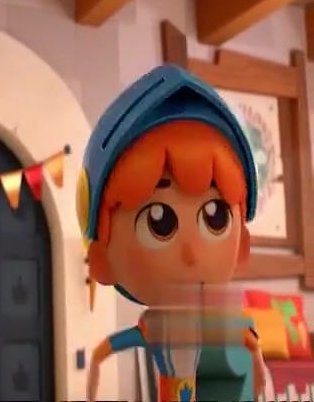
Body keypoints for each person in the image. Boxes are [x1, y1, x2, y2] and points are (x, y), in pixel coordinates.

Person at [77, 64, 267, 402]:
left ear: (242, 245)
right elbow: (104, 351)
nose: (191, 253)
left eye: (216, 217)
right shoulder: (154, 328)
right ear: (102, 259)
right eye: (159, 222)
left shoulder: (211, 324)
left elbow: (248, 343)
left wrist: (258, 369)